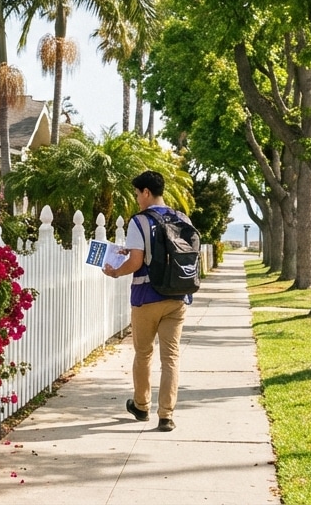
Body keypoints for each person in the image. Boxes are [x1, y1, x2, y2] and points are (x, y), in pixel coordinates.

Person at [101, 170, 192, 432]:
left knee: (144, 353)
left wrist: (115, 271)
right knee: (171, 358)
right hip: (177, 296)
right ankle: (166, 415)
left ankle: (141, 406)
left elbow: (137, 262)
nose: (137, 199)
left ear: (147, 193)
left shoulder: (139, 222)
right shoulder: (181, 218)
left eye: (138, 194)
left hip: (146, 297)